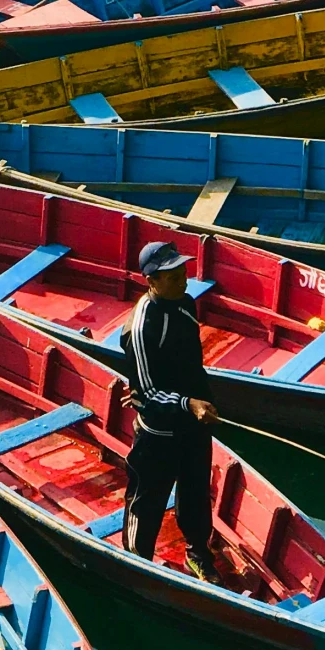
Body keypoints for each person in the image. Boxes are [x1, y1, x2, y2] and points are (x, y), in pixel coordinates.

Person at [121, 241, 218, 581]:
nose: (183, 281)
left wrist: (199, 402)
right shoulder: (141, 325)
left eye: (183, 273)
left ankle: (198, 553)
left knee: (195, 493)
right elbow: (146, 392)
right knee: (146, 501)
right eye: (173, 277)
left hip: (194, 425)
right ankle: (136, 565)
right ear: (151, 281)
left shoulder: (186, 304)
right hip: (159, 433)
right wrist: (187, 404)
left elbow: (190, 365)